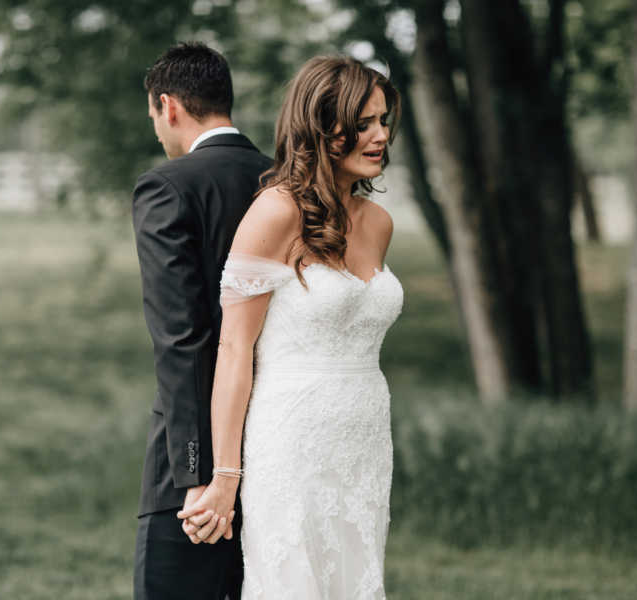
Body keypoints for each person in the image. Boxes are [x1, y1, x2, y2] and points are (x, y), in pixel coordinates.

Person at [176, 56, 404, 598]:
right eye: (364, 122)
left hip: (365, 440)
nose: (381, 136)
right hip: (292, 440)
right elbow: (235, 349)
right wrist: (225, 476)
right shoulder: (275, 212)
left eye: (383, 120)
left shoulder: (379, 223)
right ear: (322, 128)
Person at [131, 42, 272, 600]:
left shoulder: (167, 186)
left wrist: (197, 472)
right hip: (280, 434)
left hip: (196, 460)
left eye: (154, 117)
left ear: (169, 107)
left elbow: (182, 337)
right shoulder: (287, 180)